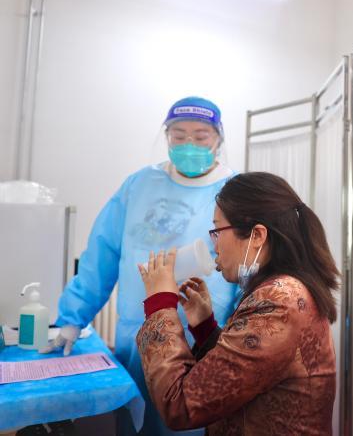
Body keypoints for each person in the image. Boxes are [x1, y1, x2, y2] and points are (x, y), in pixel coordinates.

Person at [42, 96, 242, 435]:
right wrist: (72, 318)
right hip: (135, 338)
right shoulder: (139, 186)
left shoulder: (234, 193)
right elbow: (101, 256)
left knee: (188, 421)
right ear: (166, 137)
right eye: (179, 136)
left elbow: (248, 270)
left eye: (200, 136)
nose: (189, 144)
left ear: (218, 138)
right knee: (136, 422)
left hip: (202, 342)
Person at [136, 172, 338, 435]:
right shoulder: (286, 290)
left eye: (217, 231)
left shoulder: (279, 302)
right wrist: (206, 329)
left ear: (257, 235)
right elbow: (243, 375)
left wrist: (160, 304)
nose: (214, 246)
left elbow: (180, 405)